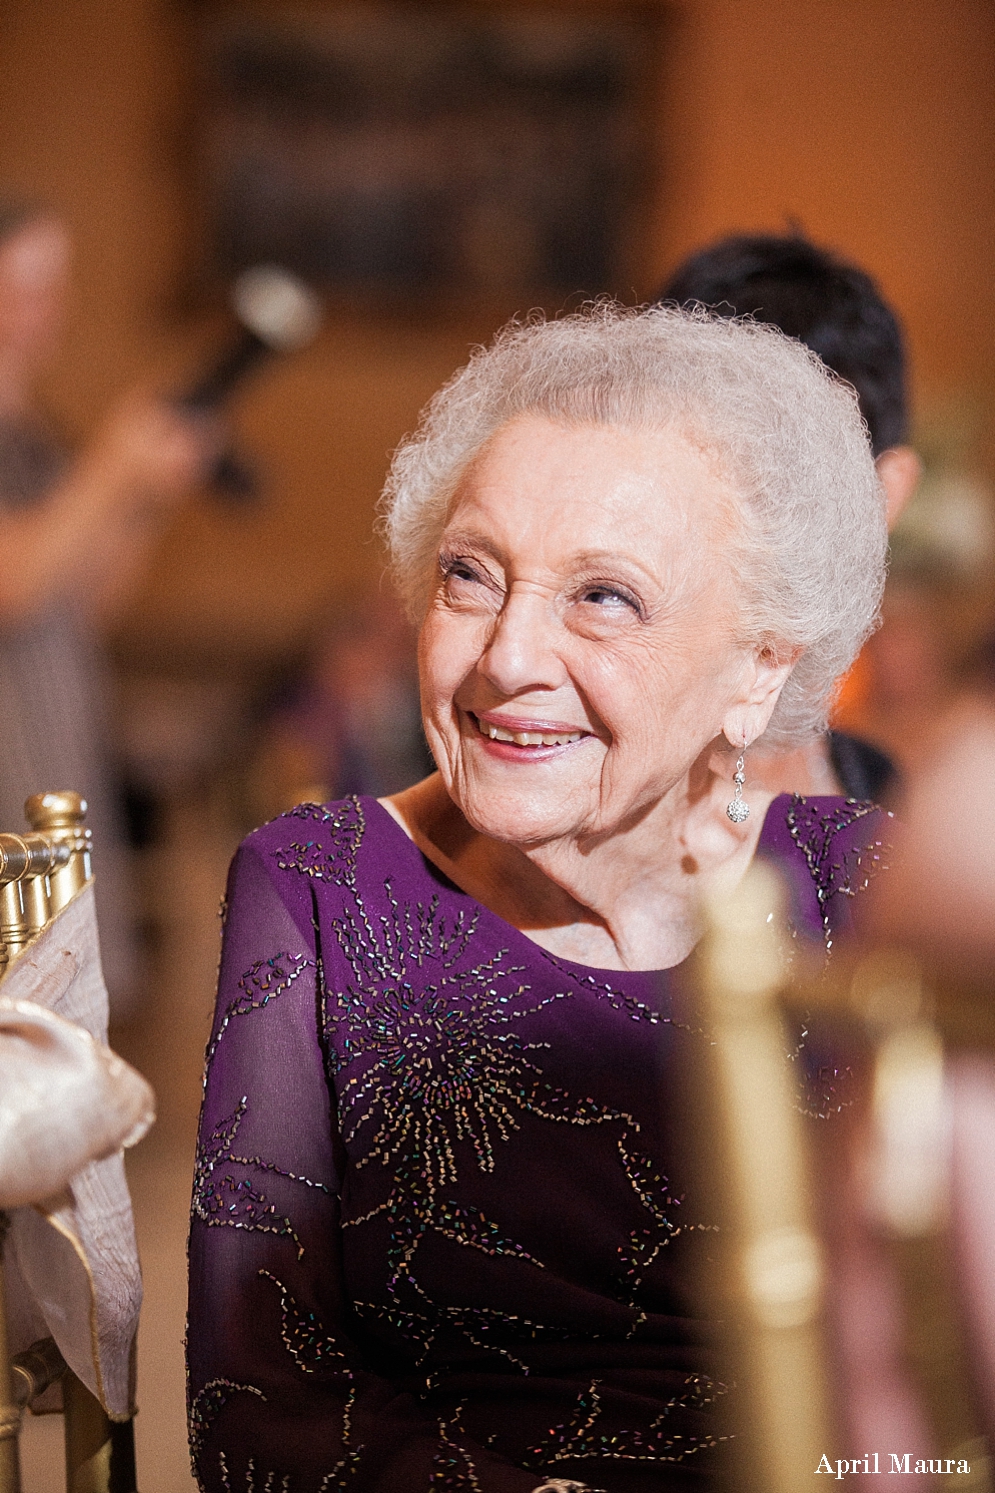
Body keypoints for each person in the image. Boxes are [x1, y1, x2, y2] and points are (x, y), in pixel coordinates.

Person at [187, 304, 892, 1491]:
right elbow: (259, 1398)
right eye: (470, 574)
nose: (506, 654)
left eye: (601, 595)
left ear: (760, 664)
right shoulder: (319, 884)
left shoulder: (859, 884)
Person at [0, 199, 216, 1001]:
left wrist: (146, 498)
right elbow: (15, 585)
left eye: (51, 288)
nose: (40, 314)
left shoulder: (34, 438)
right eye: (18, 286)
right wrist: (114, 465)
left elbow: (85, 604)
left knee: (61, 1048)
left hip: (52, 766)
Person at [657, 232, 922, 803]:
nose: (755, 515)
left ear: (887, 493)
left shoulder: (897, 807)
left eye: (800, 470)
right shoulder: (560, 776)